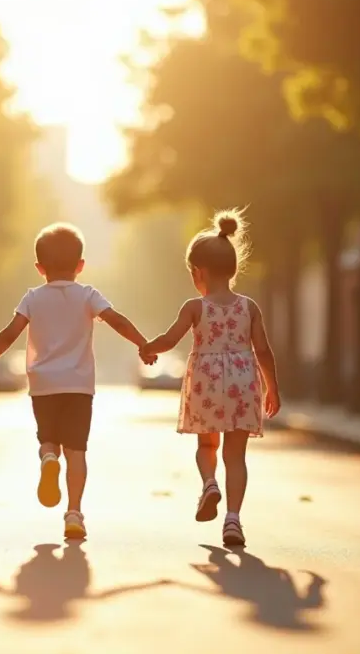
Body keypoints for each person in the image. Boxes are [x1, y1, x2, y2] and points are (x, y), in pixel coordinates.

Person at [0, 223, 155, 540]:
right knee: (77, 450)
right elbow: (116, 320)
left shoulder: (33, 298)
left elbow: (9, 335)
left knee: (47, 439)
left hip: (43, 385)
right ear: (80, 266)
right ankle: (74, 513)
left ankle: (48, 458)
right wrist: (143, 345)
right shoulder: (88, 295)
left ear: (40, 268)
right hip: (79, 386)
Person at [140, 209, 280, 548]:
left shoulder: (194, 307)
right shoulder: (249, 307)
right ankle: (233, 519)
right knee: (236, 454)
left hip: (206, 381)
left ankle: (209, 485)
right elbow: (263, 350)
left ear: (198, 272)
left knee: (207, 445)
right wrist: (272, 387)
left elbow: (170, 339)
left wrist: (148, 348)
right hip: (243, 382)